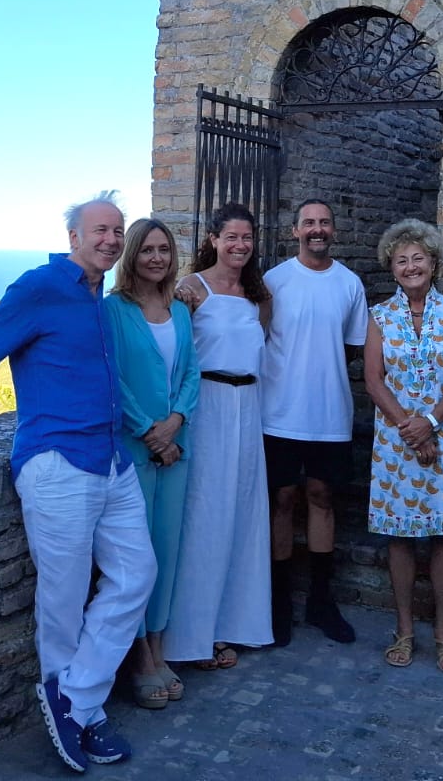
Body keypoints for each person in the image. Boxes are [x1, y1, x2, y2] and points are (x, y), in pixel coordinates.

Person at [0, 192, 153, 775]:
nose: (111, 240)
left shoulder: (98, 296)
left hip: (112, 461)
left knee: (137, 574)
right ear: (74, 237)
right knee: (63, 598)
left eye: (117, 231)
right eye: (100, 230)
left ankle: (76, 697)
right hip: (57, 463)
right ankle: (81, 710)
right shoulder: (40, 286)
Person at [363, 218, 443, 676]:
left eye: (418, 258)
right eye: (401, 260)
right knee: (400, 535)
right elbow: (374, 380)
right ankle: (403, 630)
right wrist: (410, 428)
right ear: (391, 268)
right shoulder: (380, 316)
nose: (410, 267)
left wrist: (431, 423)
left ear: (433, 263)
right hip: (397, 437)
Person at [163, 203, 274, 668]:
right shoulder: (192, 289)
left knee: (243, 516)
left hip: (247, 407)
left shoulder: (258, 295)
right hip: (207, 407)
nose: (240, 245)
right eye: (231, 237)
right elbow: (177, 356)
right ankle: (191, 637)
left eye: (247, 238)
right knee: (204, 516)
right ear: (213, 239)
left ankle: (233, 625)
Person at [260, 198, 368, 645]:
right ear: (295, 231)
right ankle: (279, 604)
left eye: (324, 222)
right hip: (278, 414)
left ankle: (321, 602)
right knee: (282, 500)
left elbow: (353, 346)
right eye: (309, 223)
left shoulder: (349, 284)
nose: (317, 229)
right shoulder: (274, 281)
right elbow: (258, 337)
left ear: (334, 230)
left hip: (329, 413)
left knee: (323, 498)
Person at [101, 217, 199, 709]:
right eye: (147, 250)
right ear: (132, 255)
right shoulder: (113, 310)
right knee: (134, 557)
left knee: (166, 550)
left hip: (176, 449)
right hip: (134, 449)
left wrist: (176, 422)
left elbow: (192, 372)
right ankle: (138, 656)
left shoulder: (179, 310)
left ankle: (159, 645)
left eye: (163, 249)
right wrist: (150, 431)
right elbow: (112, 378)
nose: (156, 258)